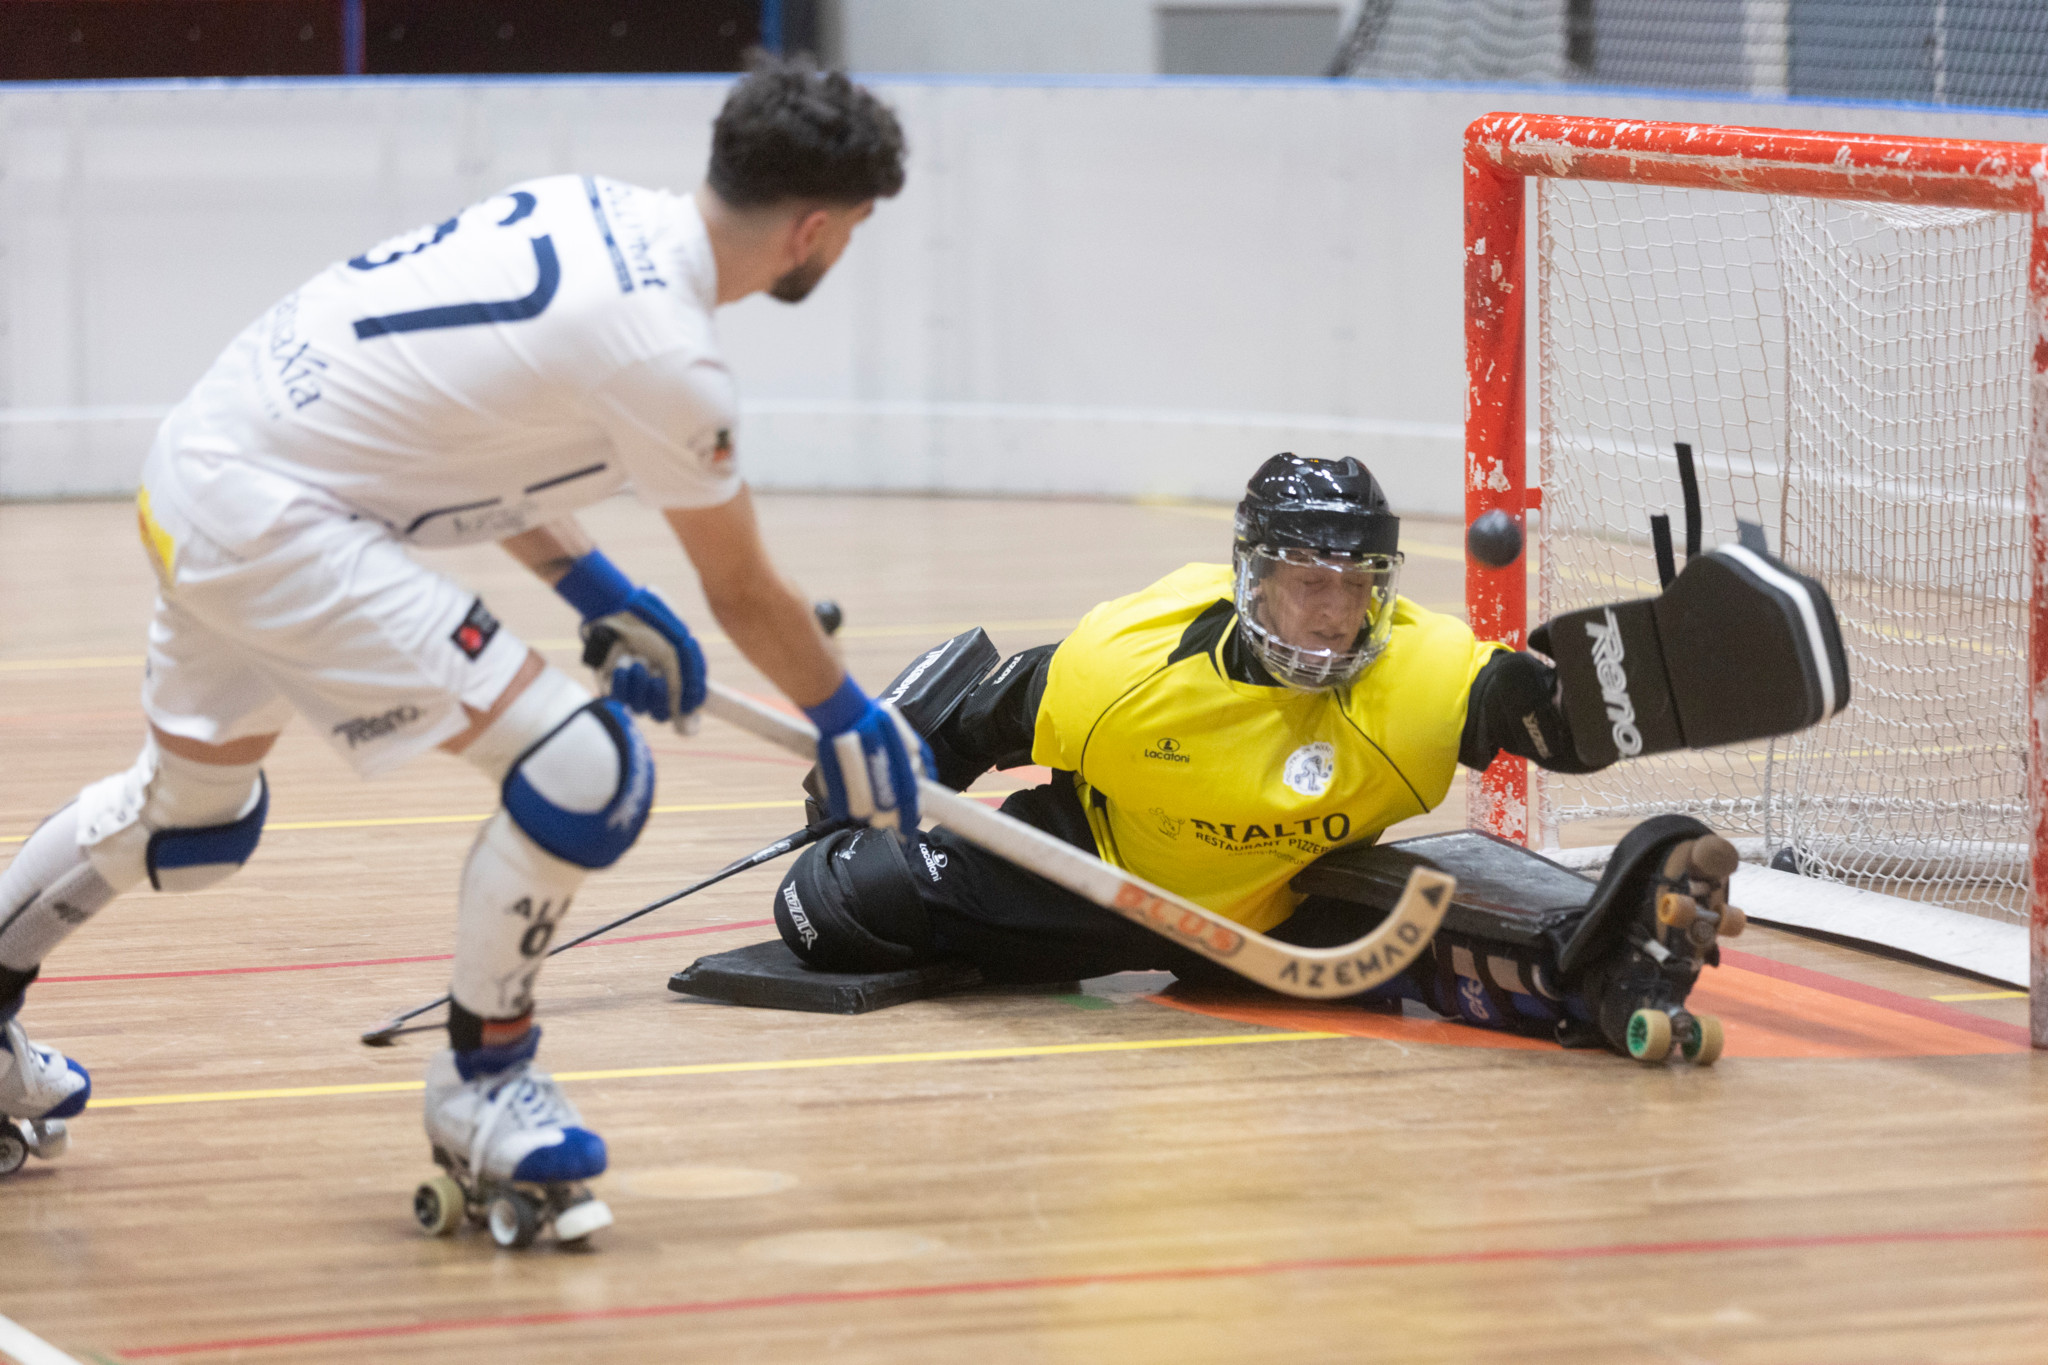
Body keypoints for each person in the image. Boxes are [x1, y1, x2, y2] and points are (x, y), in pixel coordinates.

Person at [0, 57, 929, 1236]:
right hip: (278, 523)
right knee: (582, 770)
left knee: (189, 824)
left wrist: (597, 588)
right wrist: (848, 718)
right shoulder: (668, 355)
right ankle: (484, 1084)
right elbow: (743, 589)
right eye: (850, 229)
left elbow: (470, 438)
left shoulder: (587, 207)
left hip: (203, 469)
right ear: (812, 230)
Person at [770, 452, 1750, 1061]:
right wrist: (865, 782)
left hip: (1286, 919)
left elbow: (1544, 721)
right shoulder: (1123, 662)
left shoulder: (1420, 667)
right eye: (1303, 583)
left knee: (1479, 949)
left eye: (1355, 586)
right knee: (827, 906)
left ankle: (1610, 960)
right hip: (1093, 883)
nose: (1332, 616)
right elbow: (973, 722)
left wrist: (1645, 674)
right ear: (1249, 577)